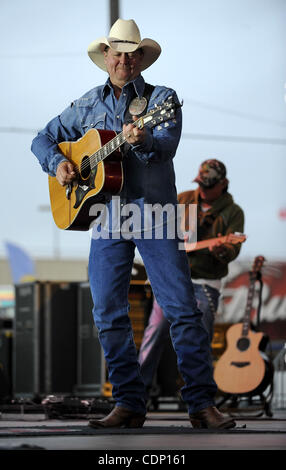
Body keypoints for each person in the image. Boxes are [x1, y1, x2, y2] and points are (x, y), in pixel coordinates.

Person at [31, 19, 236, 429]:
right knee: (107, 312)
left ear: (141, 58)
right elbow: (42, 138)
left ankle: (201, 404)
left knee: (181, 308)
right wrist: (60, 165)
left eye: (131, 52)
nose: (123, 59)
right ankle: (128, 402)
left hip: (154, 215)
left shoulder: (162, 98)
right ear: (106, 57)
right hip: (107, 217)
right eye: (116, 51)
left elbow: (166, 146)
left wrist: (144, 141)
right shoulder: (87, 104)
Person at [138, 159, 245, 399]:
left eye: (209, 186)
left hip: (205, 284)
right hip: (171, 281)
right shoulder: (183, 199)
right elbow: (158, 227)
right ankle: (134, 393)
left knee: (199, 339)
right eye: (201, 185)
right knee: (153, 334)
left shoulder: (234, 212)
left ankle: (199, 397)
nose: (203, 190)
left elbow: (232, 252)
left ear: (223, 184)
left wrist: (220, 249)